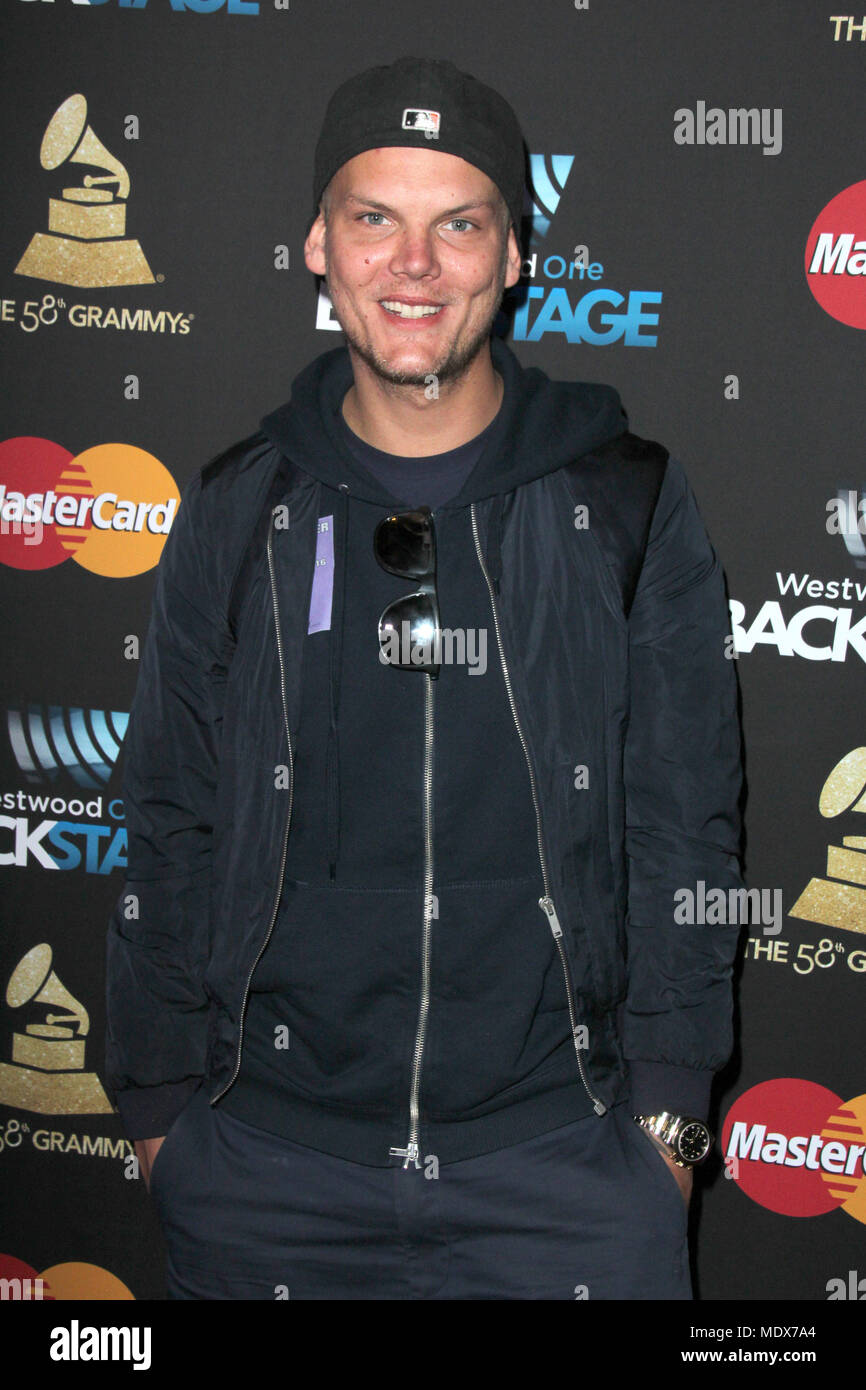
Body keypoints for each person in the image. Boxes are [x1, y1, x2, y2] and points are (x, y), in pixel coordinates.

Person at [105, 56, 745, 1300]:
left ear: (512, 256)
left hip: (563, 1172)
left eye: (457, 223)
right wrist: (165, 1110)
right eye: (373, 219)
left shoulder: (625, 503)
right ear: (315, 248)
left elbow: (685, 833)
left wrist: (668, 1123)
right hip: (264, 1171)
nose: (413, 265)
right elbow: (165, 818)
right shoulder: (241, 509)